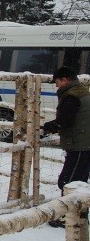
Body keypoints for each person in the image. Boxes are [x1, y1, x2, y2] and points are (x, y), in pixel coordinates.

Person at [42, 66, 90, 228]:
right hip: (84, 143)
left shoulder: (71, 96)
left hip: (80, 145)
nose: (56, 86)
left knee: (68, 181)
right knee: (80, 181)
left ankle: (67, 216)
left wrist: (48, 126)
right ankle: (79, 214)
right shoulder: (83, 91)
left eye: (57, 82)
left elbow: (66, 120)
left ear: (65, 79)